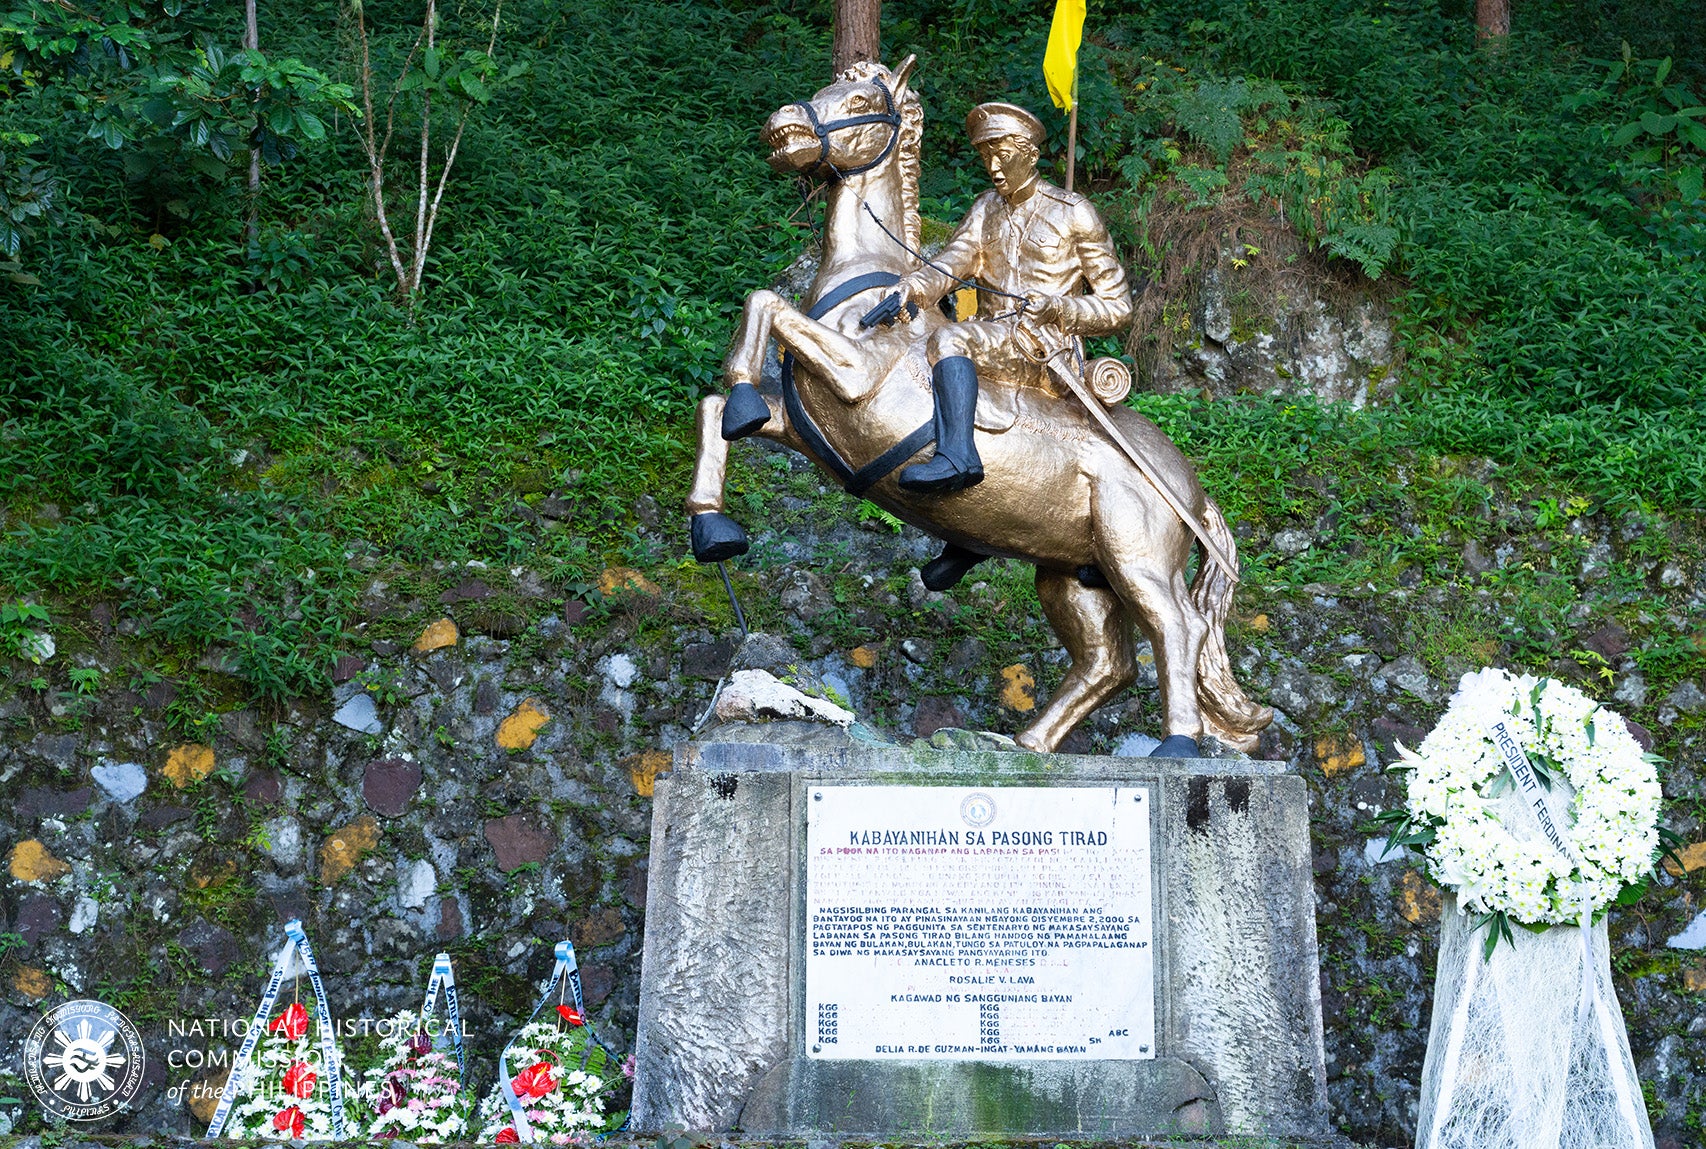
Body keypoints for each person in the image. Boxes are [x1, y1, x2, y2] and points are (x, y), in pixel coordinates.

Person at [891, 101, 1133, 495]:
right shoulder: (986, 208)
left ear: (1031, 155)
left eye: (1003, 156)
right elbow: (952, 263)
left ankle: (958, 456)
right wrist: (913, 287)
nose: (994, 168)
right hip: (994, 336)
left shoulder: (1074, 213)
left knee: (950, 339)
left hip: (1046, 351)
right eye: (987, 157)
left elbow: (1118, 306)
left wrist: (1059, 308)